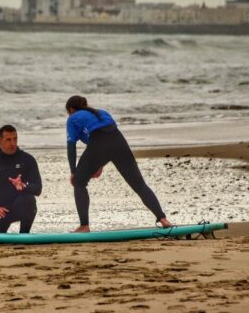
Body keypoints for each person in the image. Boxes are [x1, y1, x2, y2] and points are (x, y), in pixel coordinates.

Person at [65, 95, 172, 232]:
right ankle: (163, 219)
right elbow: (108, 137)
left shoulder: (73, 119)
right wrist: (100, 164)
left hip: (99, 145)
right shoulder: (102, 113)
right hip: (119, 143)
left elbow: (72, 146)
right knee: (139, 184)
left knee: (79, 183)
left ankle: (84, 226)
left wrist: (74, 172)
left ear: (71, 109)